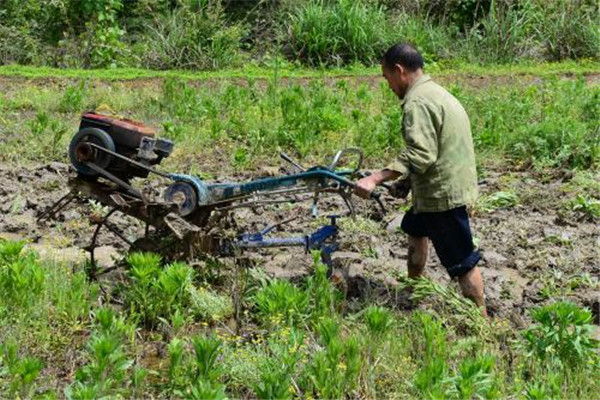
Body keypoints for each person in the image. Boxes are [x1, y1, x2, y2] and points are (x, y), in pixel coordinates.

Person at [355, 43, 486, 315]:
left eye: (386, 77)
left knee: (462, 261)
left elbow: (422, 153)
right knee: (415, 228)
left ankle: (481, 320)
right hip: (438, 186)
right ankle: (414, 288)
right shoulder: (436, 92)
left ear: (399, 70)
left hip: (442, 195)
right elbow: (436, 146)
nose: (388, 85)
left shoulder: (417, 102)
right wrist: (404, 182)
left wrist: (375, 178)